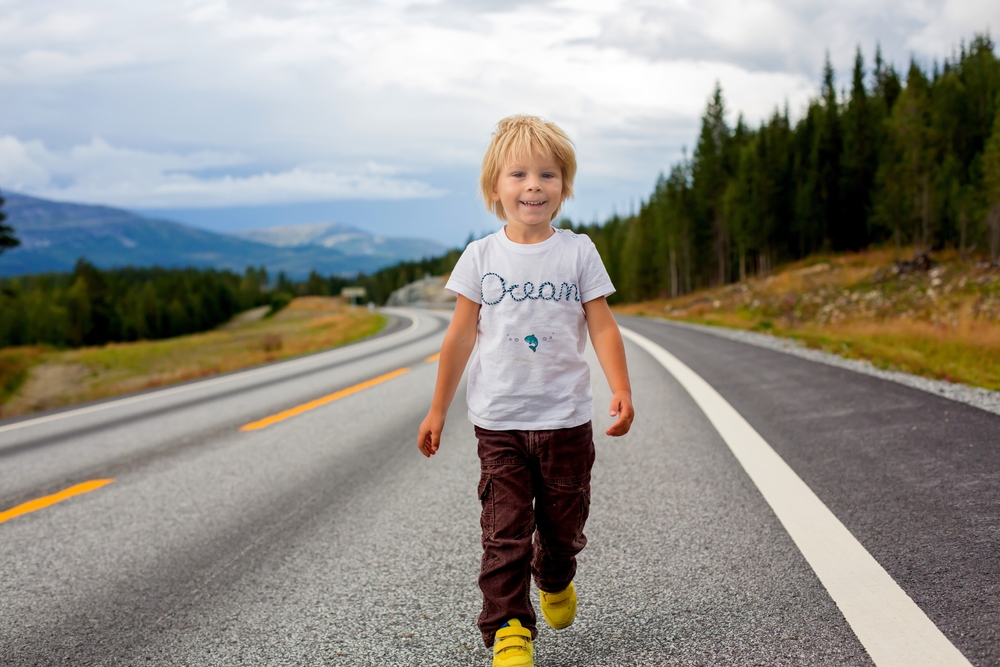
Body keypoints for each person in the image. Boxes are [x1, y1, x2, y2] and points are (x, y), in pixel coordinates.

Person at [417, 114, 634, 667]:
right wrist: (438, 408)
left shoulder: (578, 252)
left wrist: (621, 389)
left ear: (564, 186)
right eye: (518, 174)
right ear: (496, 188)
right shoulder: (481, 258)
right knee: (505, 534)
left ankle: (556, 576)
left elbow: (603, 324)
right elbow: (460, 336)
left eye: (547, 174)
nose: (533, 185)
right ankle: (510, 629)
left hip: (566, 422)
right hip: (499, 423)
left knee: (563, 528)